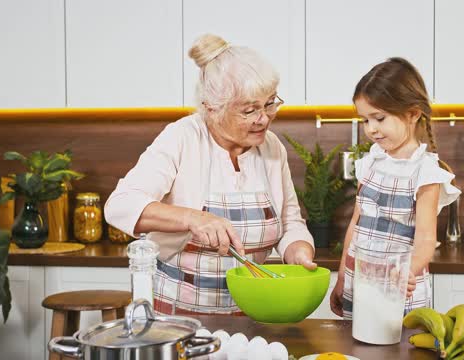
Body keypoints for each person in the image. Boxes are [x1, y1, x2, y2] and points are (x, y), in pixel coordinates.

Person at [104, 34, 316, 315]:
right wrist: (193, 218)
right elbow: (120, 205)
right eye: (249, 109)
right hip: (177, 314)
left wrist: (298, 250)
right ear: (211, 109)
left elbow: (290, 221)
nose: (264, 118)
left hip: (251, 312)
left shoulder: (271, 147)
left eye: (269, 103)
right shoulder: (182, 137)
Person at [330, 57, 461, 319]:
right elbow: (356, 224)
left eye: (379, 118)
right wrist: (343, 274)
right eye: (365, 120)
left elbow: (425, 238)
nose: (371, 129)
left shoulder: (425, 172)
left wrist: (410, 270)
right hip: (361, 283)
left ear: (412, 114)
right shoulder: (370, 163)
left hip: (398, 287)